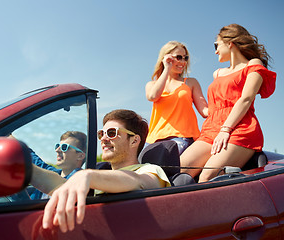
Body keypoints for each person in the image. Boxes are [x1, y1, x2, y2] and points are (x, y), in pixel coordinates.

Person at [32, 109, 170, 232]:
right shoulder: (100, 172)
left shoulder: (149, 170)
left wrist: (88, 176)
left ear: (134, 141)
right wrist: (26, 169)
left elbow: (139, 181)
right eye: (101, 133)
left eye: (111, 133)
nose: (103, 139)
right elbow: (61, 185)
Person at [180, 24, 276, 183]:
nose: (215, 50)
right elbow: (213, 107)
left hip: (239, 128)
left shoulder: (253, 65)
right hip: (211, 128)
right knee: (181, 170)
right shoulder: (217, 73)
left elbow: (245, 99)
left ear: (229, 42)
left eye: (216, 45)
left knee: (207, 176)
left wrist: (225, 129)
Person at [145, 41, 208, 154]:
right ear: (166, 58)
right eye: (179, 57)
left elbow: (205, 111)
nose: (183, 62)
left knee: (167, 162)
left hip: (182, 137)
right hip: (153, 139)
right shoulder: (152, 85)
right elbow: (153, 96)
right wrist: (167, 69)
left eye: (185, 58)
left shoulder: (191, 82)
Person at [30, 131, 87, 199]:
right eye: (58, 146)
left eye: (64, 147)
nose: (57, 150)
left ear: (80, 156)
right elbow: (27, 155)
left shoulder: (80, 180)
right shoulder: (52, 172)